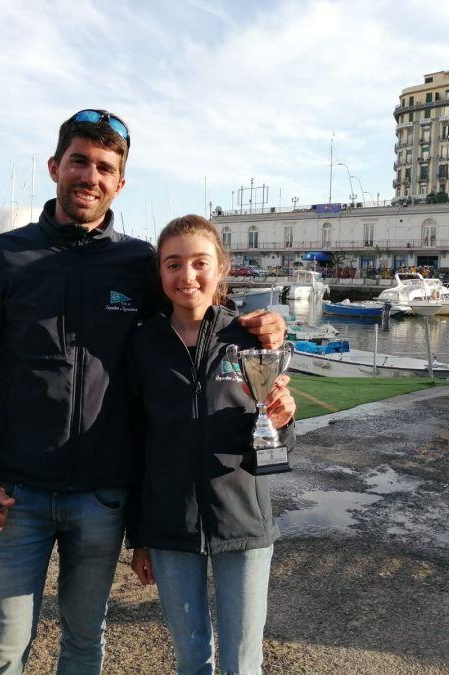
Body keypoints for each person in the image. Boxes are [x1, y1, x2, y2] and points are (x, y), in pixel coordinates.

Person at [0, 110, 287, 674]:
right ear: (55, 167)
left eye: (105, 167)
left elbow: (191, 325)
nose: (90, 176)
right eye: (79, 161)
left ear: (119, 183)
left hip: (103, 498)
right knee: (2, 650)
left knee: (84, 641)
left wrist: (264, 331)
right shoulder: (6, 257)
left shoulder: (135, 264)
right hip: (15, 493)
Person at [127, 214, 297, 675]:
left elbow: (277, 440)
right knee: (190, 659)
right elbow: (136, 445)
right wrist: (139, 538)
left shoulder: (250, 338)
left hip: (244, 520)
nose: (187, 276)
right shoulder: (142, 345)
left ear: (221, 267)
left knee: (243, 663)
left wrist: (281, 421)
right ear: (160, 272)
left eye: (200, 262)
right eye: (173, 264)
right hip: (169, 528)